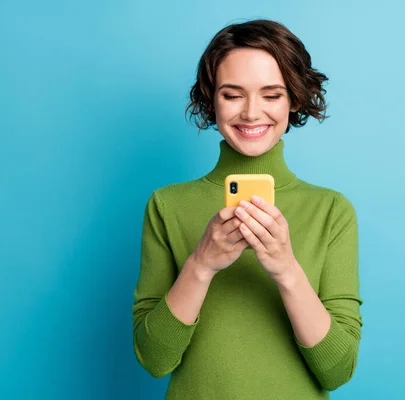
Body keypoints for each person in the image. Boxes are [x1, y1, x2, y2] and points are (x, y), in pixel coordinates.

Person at [132, 19, 362, 400]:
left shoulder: (331, 211)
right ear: (211, 100)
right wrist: (201, 263)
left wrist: (286, 268)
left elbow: (337, 370)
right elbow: (155, 359)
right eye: (232, 94)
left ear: (294, 99)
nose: (252, 113)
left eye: (271, 95)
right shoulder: (166, 206)